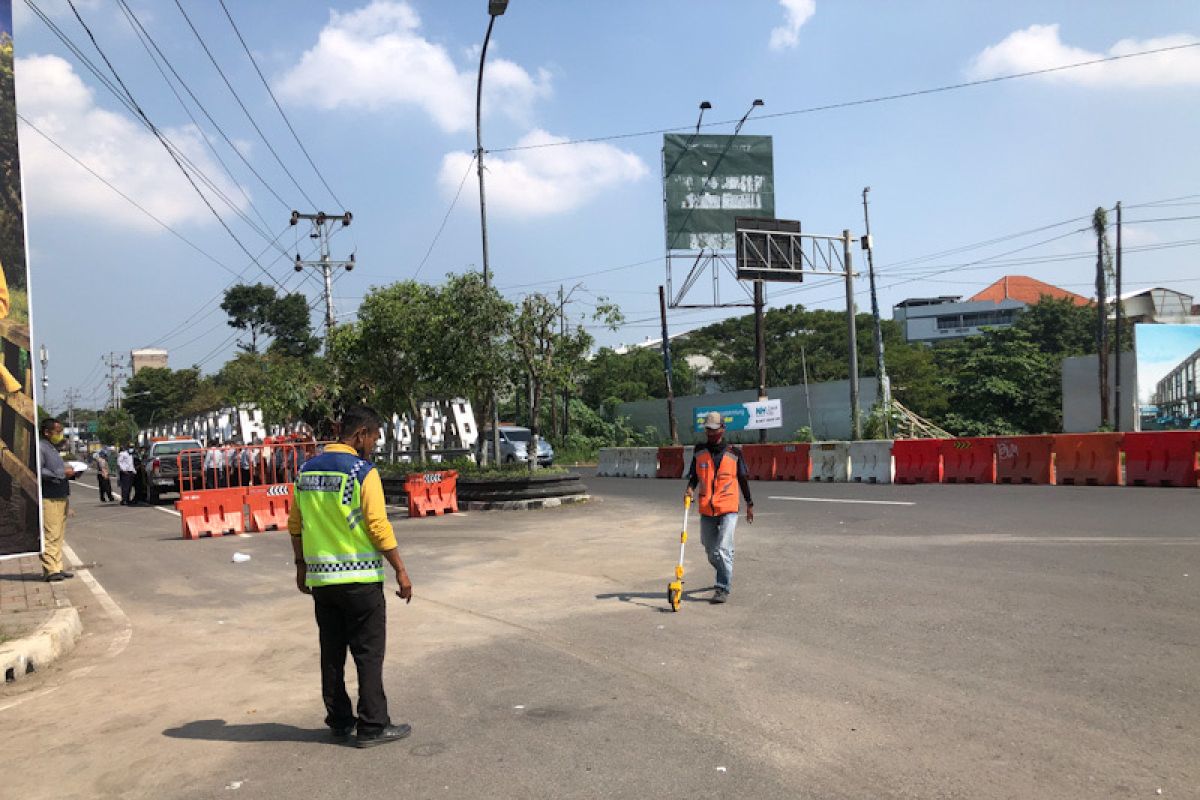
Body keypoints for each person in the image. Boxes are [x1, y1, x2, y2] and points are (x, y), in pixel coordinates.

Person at [288, 405, 414, 748]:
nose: (373, 445)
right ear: (360, 435)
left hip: (322, 584)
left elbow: (295, 525)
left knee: (332, 653)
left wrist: (301, 566)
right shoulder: (362, 471)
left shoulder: (306, 471)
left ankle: (340, 721)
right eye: (373, 437)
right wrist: (400, 569)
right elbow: (376, 525)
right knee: (368, 653)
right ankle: (373, 724)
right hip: (359, 581)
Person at [683, 411, 754, 604]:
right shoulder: (699, 451)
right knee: (710, 549)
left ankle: (722, 587)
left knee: (722, 549)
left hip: (728, 507)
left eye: (714, 429)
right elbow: (694, 477)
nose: (711, 433)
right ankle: (726, 566)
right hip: (707, 508)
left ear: (723, 429)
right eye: (708, 429)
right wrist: (689, 490)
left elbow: (742, 479)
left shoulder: (734, 453)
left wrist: (749, 503)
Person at [38, 418, 75, 582]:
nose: (60, 435)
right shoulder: (40, 447)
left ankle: (57, 566)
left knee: (59, 533)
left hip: (61, 494)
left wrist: (71, 472)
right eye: (57, 431)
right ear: (47, 432)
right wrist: (60, 474)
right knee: (51, 533)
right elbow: (39, 470)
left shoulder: (52, 448)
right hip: (49, 496)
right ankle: (50, 569)